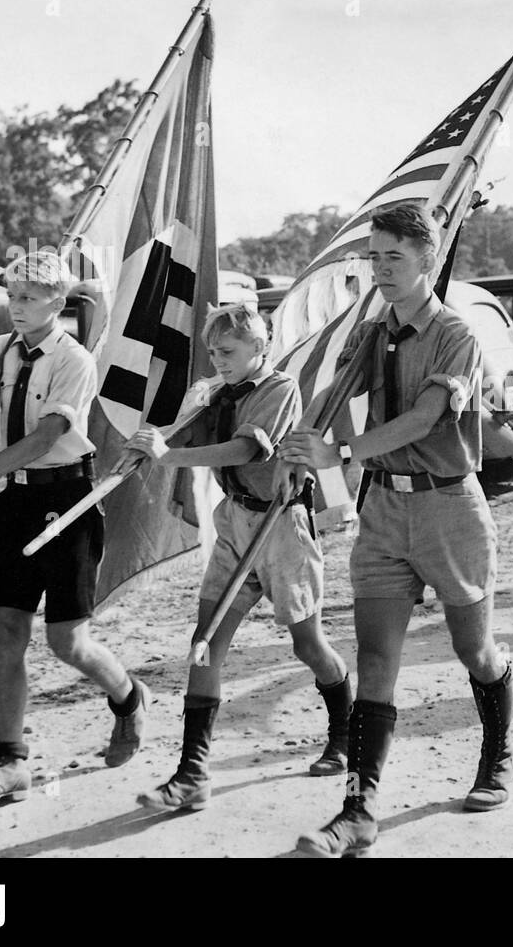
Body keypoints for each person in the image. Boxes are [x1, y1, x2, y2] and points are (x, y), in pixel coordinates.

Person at [278, 202, 511, 858]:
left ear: (428, 260)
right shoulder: (372, 331)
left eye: (394, 259)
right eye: (375, 258)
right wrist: (315, 439)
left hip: (448, 509)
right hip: (383, 511)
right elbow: (332, 398)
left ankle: (496, 756)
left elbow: (429, 418)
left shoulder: (453, 335)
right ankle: (358, 811)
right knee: (377, 662)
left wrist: (343, 454)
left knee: (477, 652)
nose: (381, 270)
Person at [0, 249, 149, 805]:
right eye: (11, 296)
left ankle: (127, 697)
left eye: (27, 297)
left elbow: (47, 437)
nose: (16, 306)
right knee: (7, 629)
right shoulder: (1, 349)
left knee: (66, 641)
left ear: (57, 300)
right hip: (16, 501)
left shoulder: (73, 360)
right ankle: (11, 762)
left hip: (67, 500)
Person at [125, 303, 351, 811]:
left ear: (259, 348)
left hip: (280, 527)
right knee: (204, 641)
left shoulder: (279, 389)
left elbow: (248, 451)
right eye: (212, 351)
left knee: (307, 645)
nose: (218, 359)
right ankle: (192, 773)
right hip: (234, 523)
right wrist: (154, 439)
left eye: (227, 351)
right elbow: (184, 433)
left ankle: (344, 733)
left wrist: (171, 456)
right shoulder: (217, 392)